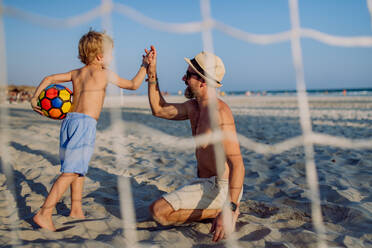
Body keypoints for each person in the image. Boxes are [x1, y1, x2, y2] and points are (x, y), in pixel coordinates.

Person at [30, 30, 152, 231]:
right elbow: (133, 84)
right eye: (111, 53)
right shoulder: (104, 73)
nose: (112, 57)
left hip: (69, 122)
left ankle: (76, 209)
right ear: (100, 56)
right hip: (85, 124)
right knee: (70, 172)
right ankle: (45, 212)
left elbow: (49, 78)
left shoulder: (76, 73)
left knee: (78, 168)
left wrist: (35, 98)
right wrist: (144, 66)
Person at [146, 46, 245, 242]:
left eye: (188, 74)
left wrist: (229, 207)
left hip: (222, 187)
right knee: (160, 210)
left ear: (202, 81)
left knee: (158, 212)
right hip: (203, 182)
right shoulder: (193, 107)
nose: (183, 79)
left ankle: (227, 209)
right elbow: (159, 109)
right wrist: (151, 73)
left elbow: (238, 165)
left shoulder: (220, 114)